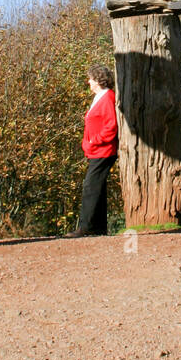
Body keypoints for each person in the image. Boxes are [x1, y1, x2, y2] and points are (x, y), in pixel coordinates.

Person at [65, 65, 118, 237]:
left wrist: (95, 140)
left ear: (98, 80)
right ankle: (99, 227)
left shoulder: (108, 97)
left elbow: (111, 125)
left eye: (90, 79)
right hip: (96, 150)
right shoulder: (99, 97)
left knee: (90, 185)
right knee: (97, 186)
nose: (88, 81)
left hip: (104, 150)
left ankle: (86, 227)